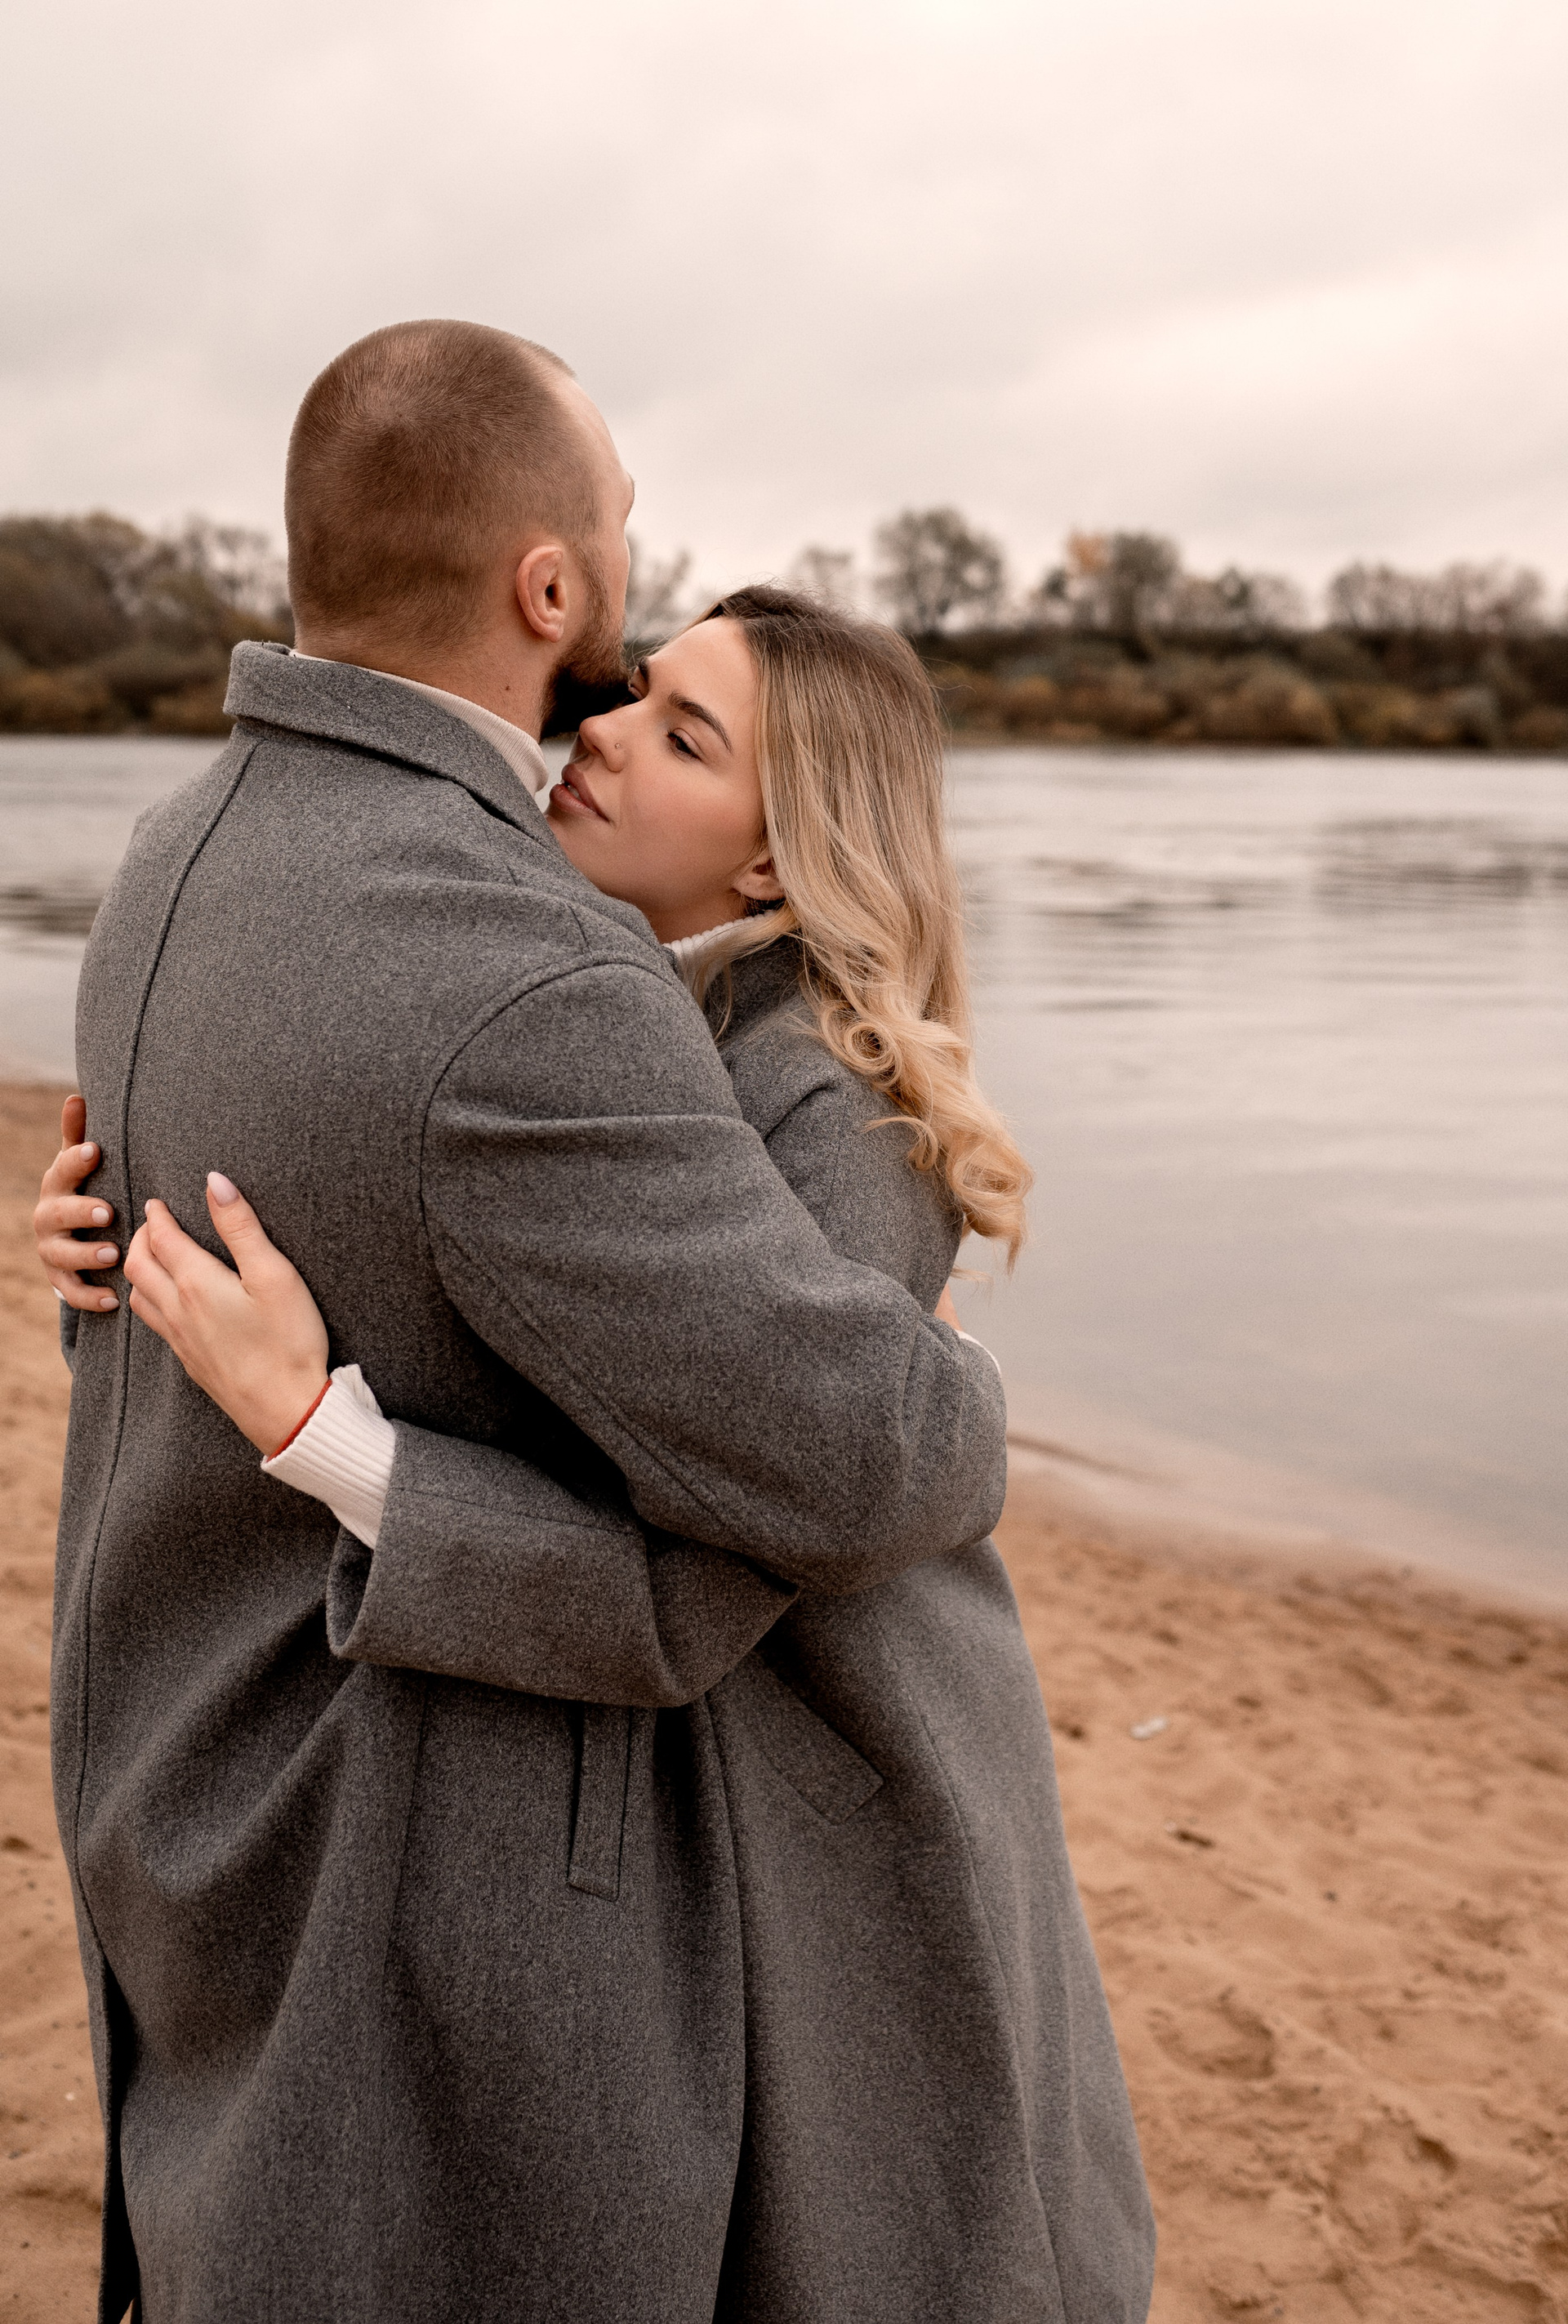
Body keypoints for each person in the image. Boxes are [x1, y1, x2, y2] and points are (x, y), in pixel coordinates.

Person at [37, 323, 1151, 2320]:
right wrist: (110, 1285)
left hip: (844, 1796)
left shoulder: (173, 859)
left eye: (689, 735)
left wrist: (328, 1437)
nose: (623, 715)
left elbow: (762, 1532)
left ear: (787, 849)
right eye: (629, 568)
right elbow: (853, 1445)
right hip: (433, 1826)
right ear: (550, 585)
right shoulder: (547, 990)